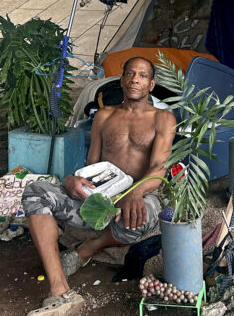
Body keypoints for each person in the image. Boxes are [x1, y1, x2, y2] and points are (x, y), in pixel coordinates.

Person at [23, 56, 176, 316]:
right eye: (129, 73)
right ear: (122, 79)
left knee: (135, 218)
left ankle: (90, 247)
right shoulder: (104, 116)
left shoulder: (163, 119)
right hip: (101, 193)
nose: (134, 79)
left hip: (140, 191)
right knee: (35, 193)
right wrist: (72, 180)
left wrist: (135, 193)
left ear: (151, 84)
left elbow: (159, 169)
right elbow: (92, 164)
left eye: (141, 75)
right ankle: (60, 290)